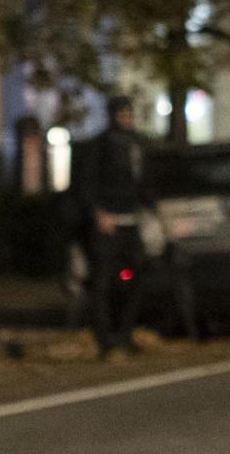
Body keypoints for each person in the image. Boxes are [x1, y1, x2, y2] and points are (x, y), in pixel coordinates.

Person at [74, 95, 151, 358]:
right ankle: (104, 341)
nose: (126, 119)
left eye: (129, 114)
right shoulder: (99, 145)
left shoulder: (136, 145)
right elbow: (86, 183)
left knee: (138, 278)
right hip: (107, 223)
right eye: (122, 114)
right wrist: (98, 212)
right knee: (102, 283)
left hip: (131, 220)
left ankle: (126, 334)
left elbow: (142, 183)